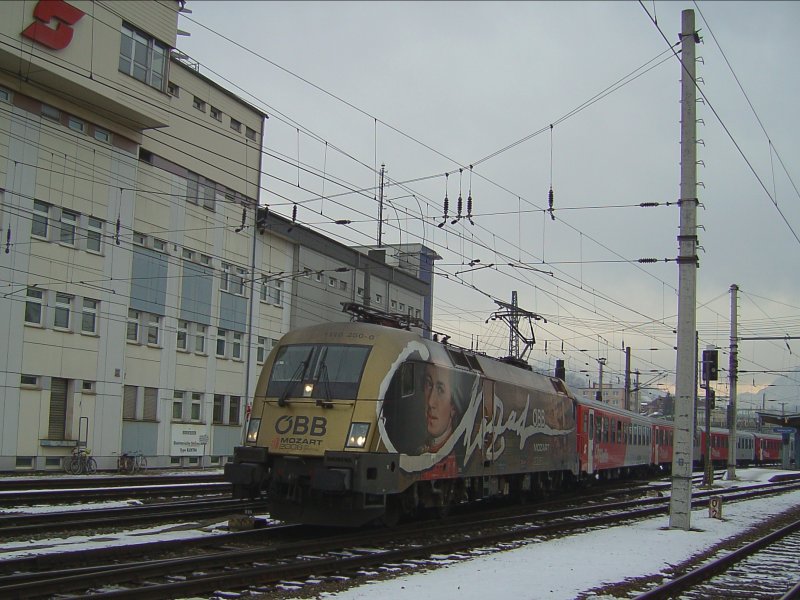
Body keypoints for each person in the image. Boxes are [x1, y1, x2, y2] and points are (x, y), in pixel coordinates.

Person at [420, 362, 463, 453]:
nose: (430, 402)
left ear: (453, 406)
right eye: (429, 384)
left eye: (440, 390)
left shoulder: (455, 455)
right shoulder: (420, 449)